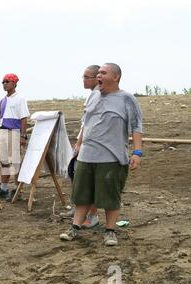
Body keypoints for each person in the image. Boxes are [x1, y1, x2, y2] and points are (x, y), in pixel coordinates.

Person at [60, 63, 143, 246]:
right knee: (81, 194)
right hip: (86, 155)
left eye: (103, 73)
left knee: (110, 197)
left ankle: (110, 231)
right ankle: (75, 228)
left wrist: (137, 152)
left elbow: (136, 126)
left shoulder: (126, 99)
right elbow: (85, 124)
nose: (99, 75)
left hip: (111, 157)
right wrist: (79, 146)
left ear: (115, 77)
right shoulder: (92, 97)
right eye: (98, 73)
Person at [60, 65, 100, 228]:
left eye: (86, 77)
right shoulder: (93, 95)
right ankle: (80, 209)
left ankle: (92, 215)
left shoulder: (99, 95)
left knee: (89, 180)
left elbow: (90, 125)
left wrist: (79, 144)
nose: (83, 80)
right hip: (85, 142)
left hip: (91, 144)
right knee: (76, 176)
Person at [0, 73, 30, 201]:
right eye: (3, 82)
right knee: (4, 162)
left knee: (15, 163)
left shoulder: (20, 99)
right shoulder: (2, 101)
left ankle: (17, 190)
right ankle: (3, 188)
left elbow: (23, 118)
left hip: (14, 132)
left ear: (14, 83)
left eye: (7, 81)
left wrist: (23, 136)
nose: (4, 84)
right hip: (2, 132)